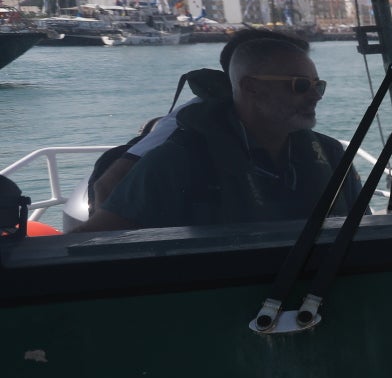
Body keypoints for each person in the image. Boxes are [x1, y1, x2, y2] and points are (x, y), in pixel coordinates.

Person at [78, 32, 359, 231]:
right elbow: (94, 243)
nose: (315, 96)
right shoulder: (177, 160)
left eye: (317, 85)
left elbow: (366, 234)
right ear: (250, 86)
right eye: (300, 85)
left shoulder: (331, 154)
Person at [88, 27, 293, 210]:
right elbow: (107, 184)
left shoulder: (270, 128)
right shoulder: (191, 121)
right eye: (297, 80)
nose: (313, 91)